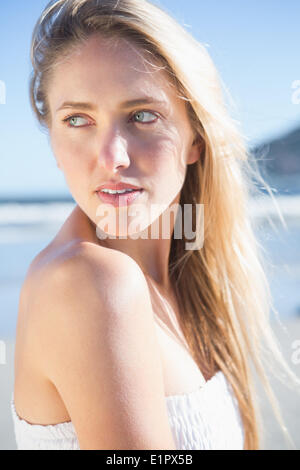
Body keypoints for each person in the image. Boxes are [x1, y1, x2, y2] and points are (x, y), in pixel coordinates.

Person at [10, 0, 300, 450]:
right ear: (52, 137)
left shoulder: (188, 285)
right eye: (77, 120)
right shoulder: (90, 282)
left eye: (142, 116)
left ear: (195, 139)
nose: (112, 158)